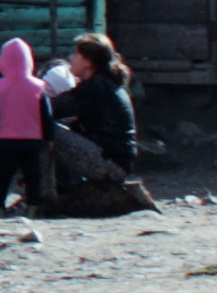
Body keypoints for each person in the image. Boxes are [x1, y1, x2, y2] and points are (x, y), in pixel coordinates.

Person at [42, 30, 153, 217]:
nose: (71, 58)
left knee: (46, 129)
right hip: (115, 161)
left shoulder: (96, 87)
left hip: (110, 164)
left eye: (76, 54)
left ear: (88, 60)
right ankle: (64, 190)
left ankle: (44, 197)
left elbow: (51, 109)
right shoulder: (105, 83)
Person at [0, 35, 53, 219]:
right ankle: (33, 207)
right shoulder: (39, 86)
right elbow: (46, 115)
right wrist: (49, 138)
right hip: (32, 142)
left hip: (6, 141)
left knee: (2, 176)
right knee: (32, 176)